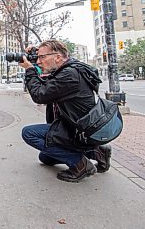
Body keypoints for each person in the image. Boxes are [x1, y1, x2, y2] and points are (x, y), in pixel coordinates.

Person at [19, 39, 111, 183]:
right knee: (45, 158)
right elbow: (49, 83)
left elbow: (40, 95)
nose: (38, 61)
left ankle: (80, 165)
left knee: (29, 133)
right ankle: (97, 152)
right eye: (38, 57)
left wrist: (30, 70)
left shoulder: (69, 75)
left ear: (58, 57)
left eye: (42, 57)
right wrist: (36, 51)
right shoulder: (69, 68)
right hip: (79, 126)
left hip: (78, 129)